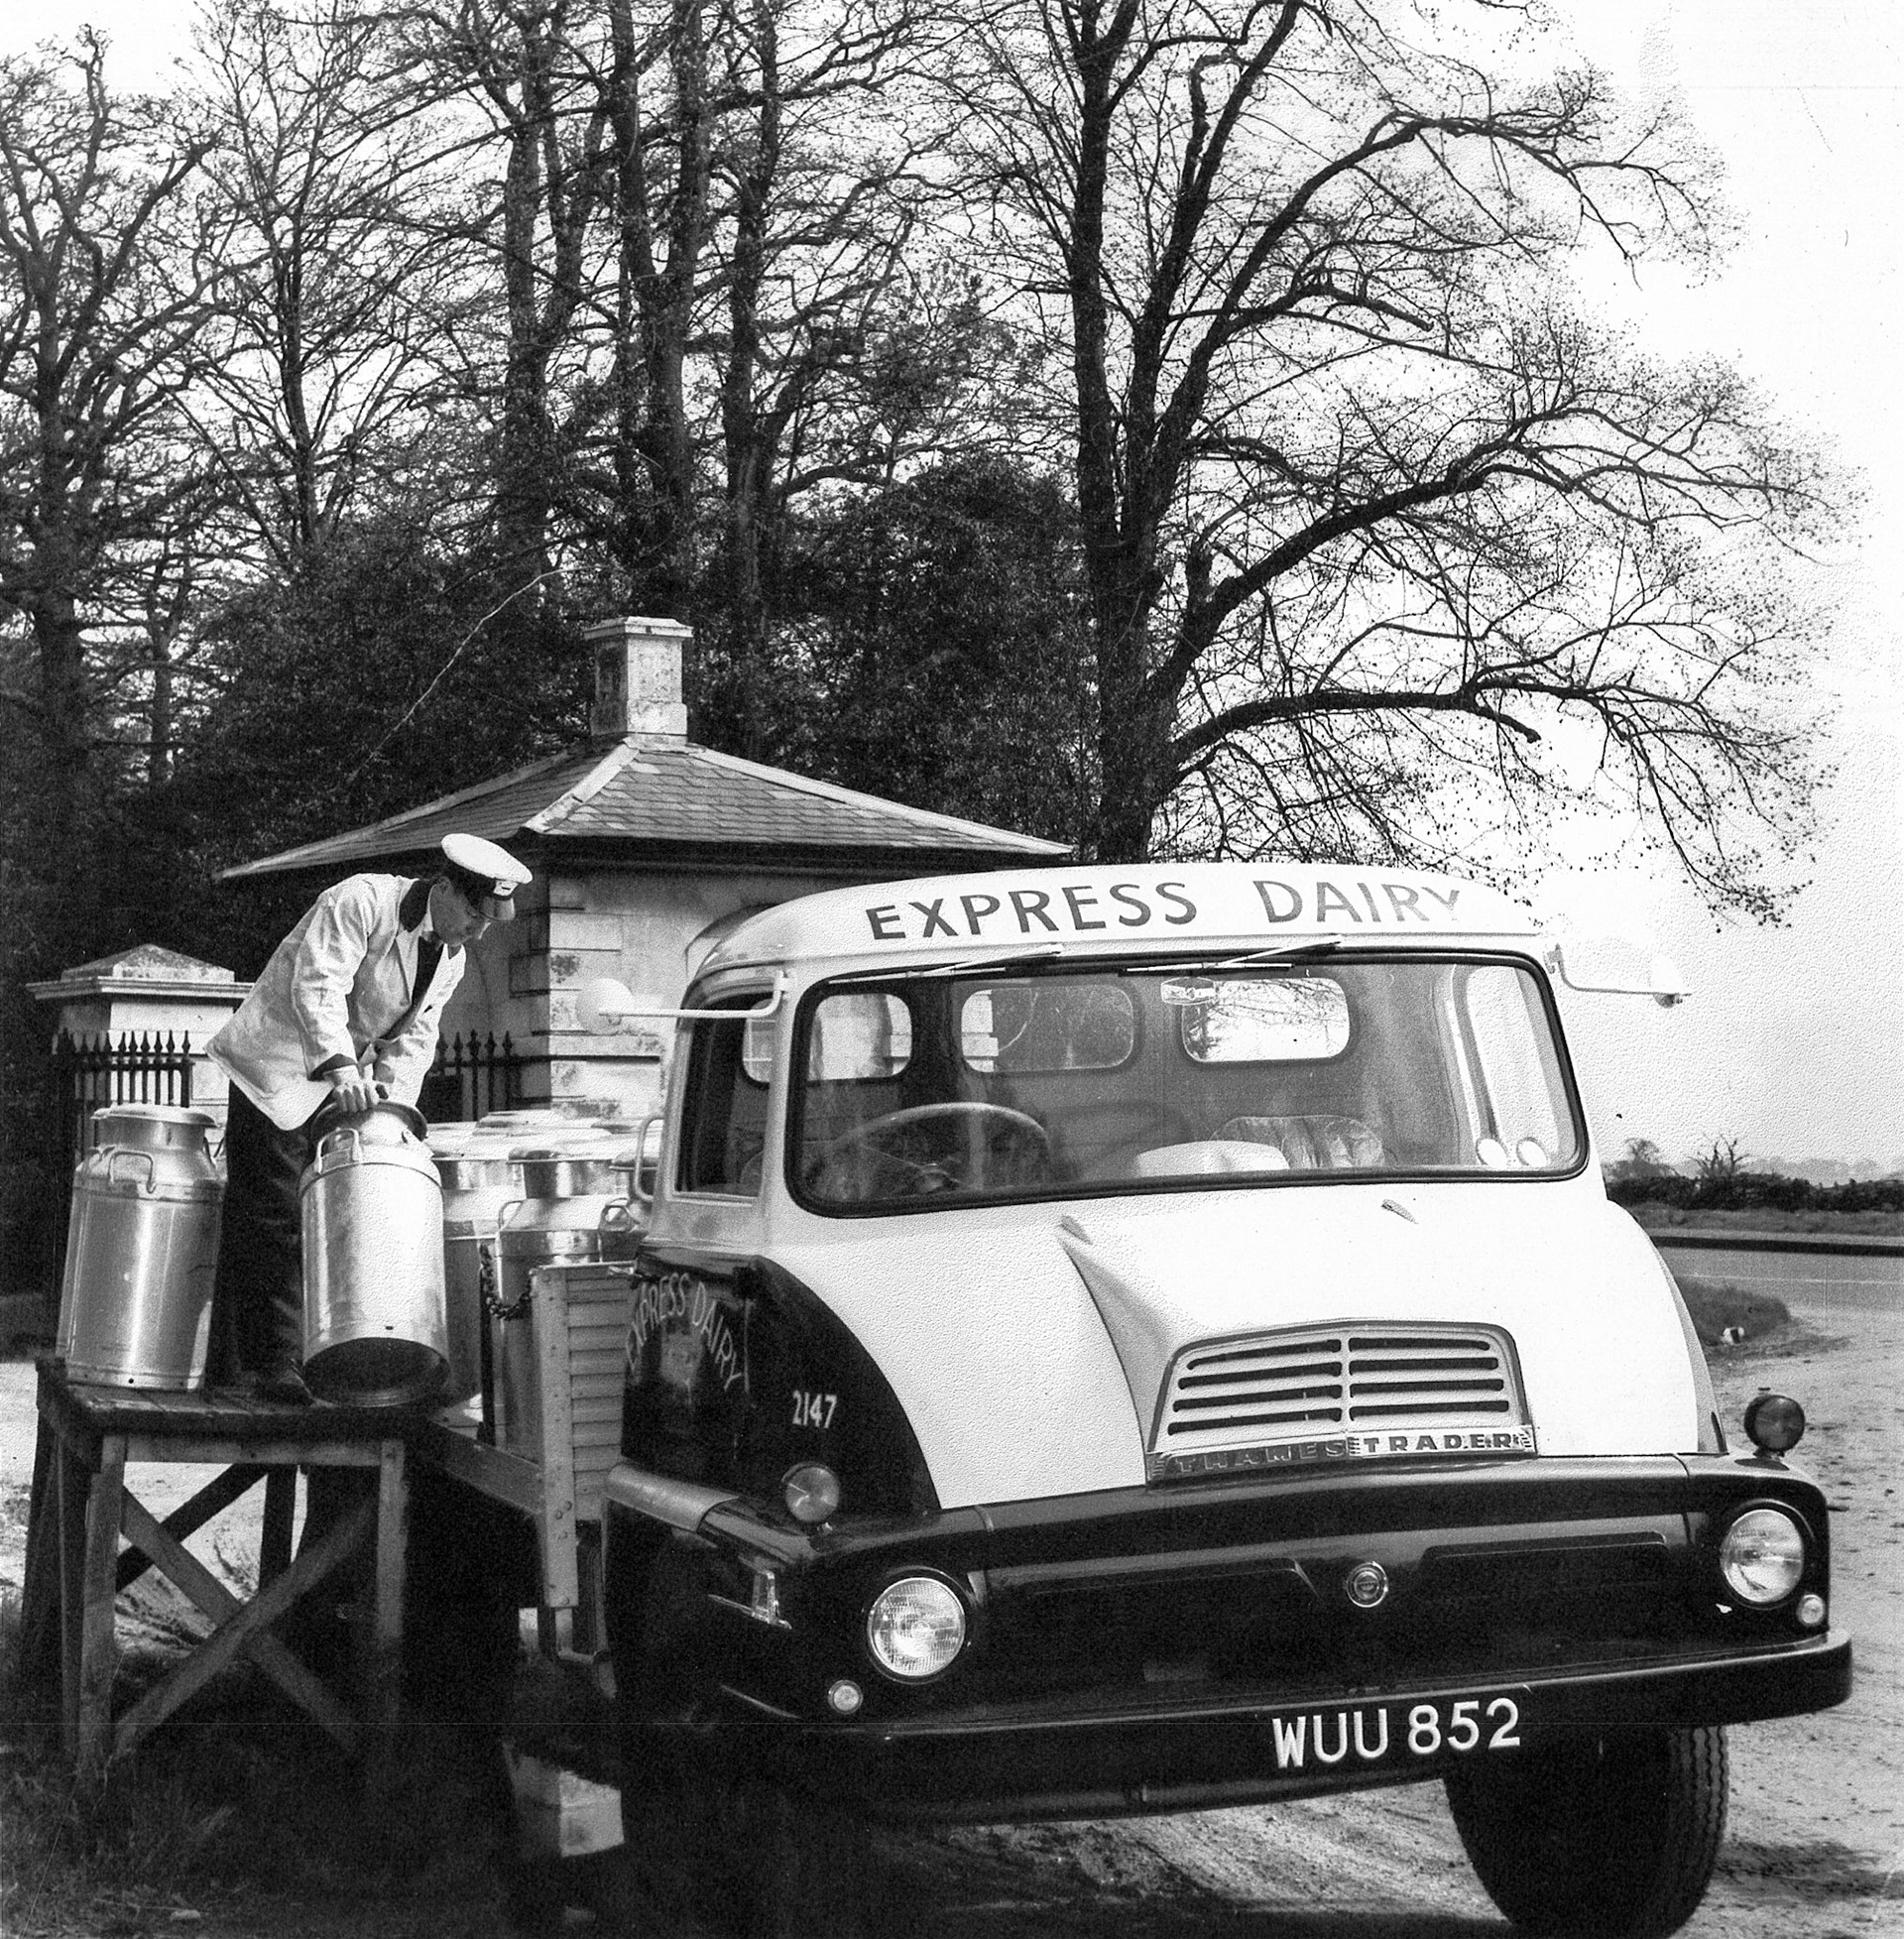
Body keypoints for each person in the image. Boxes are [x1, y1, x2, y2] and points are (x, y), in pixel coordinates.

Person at [207, 832, 532, 1403]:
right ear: (448, 889)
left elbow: (417, 1038)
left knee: (325, 1214)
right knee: (273, 1214)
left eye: (488, 923)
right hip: (275, 1069)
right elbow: (318, 987)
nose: (479, 932)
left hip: (340, 1087)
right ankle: (268, 1368)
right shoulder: (359, 900)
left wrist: (394, 1109)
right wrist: (342, 1072)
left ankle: (302, 1354)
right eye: (476, 916)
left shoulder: (449, 957)